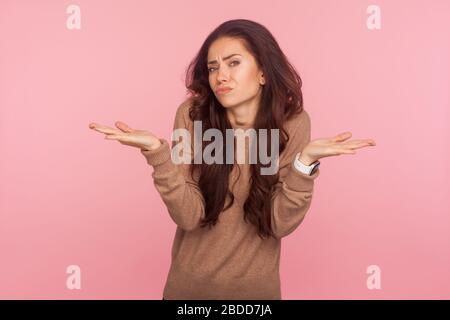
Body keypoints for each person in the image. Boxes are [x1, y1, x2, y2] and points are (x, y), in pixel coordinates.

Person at [88, 19, 376, 300]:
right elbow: (188, 216)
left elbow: (279, 223)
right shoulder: (192, 115)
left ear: (263, 72)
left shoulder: (293, 124)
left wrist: (305, 164)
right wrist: (158, 154)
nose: (220, 76)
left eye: (233, 62)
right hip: (187, 294)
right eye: (213, 67)